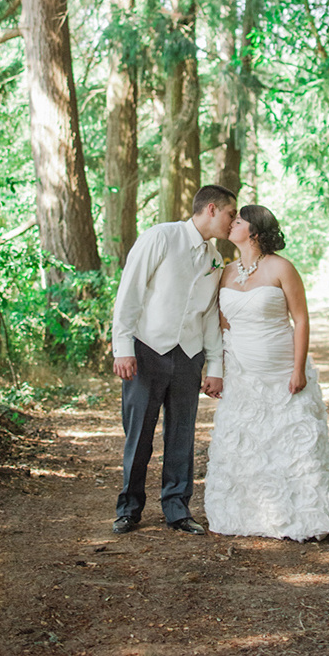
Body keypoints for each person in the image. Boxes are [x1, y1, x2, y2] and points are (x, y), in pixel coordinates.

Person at [204, 205, 329, 542]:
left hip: (281, 370)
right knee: (245, 442)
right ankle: (248, 514)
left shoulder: (282, 267)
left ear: (254, 231)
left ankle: (304, 517)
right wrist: (219, 368)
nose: (230, 224)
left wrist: (298, 368)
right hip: (241, 373)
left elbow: (301, 319)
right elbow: (222, 324)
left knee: (290, 442)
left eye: (238, 221)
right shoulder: (226, 271)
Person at [112, 184, 237, 535]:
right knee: (138, 436)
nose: (233, 222)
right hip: (146, 351)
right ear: (211, 209)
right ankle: (129, 508)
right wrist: (122, 347)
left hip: (189, 356)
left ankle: (177, 509)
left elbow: (210, 315)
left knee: (182, 436)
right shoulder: (160, 237)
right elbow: (130, 291)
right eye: (230, 214)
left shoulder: (216, 259)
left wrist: (214, 366)